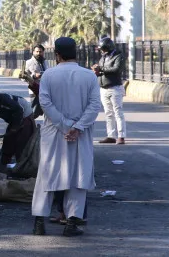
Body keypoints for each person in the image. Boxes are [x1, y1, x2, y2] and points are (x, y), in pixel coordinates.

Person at [31, 37, 102, 237]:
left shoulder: (48, 75)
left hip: (54, 132)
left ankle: (39, 222)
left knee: (48, 175)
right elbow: (94, 105)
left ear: (57, 55)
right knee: (78, 177)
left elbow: (44, 102)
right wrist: (77, 127)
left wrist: (64, 125)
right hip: (81, 133)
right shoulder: (89, 76)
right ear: (75, 53)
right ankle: (71, 223)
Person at [0, 84, 36, 171]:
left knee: (21, 143)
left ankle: (22, 168)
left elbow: (19, 110)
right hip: (14, 119)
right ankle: (3, 165)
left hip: (25, 116)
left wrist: (15, 128)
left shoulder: (4, 100)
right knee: (8, 141)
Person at [93, 37, 126, 145]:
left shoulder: (118, 56)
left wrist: (101, 69)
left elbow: (116, 69)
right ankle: (111, 135)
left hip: (115, 87)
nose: (101, 51)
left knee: (118, 112)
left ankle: (121, 136)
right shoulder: (103, 57)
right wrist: (96, 70)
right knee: (108, 113)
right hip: (103, 88)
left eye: (103, 49)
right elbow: (101, 69)